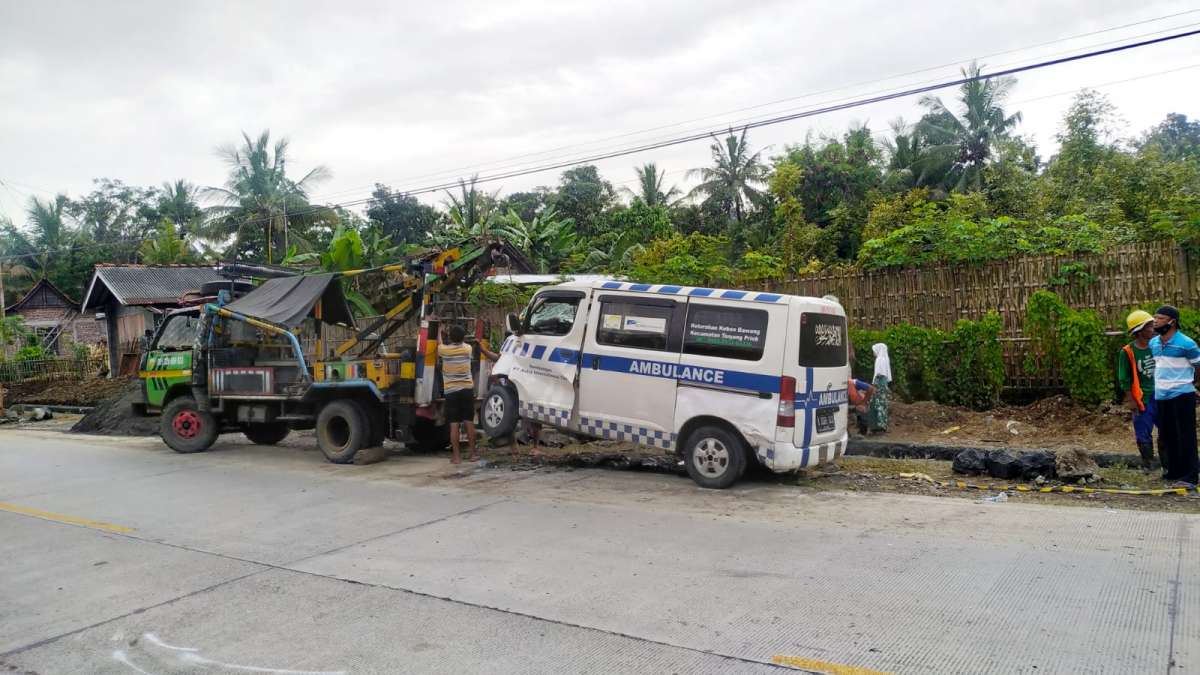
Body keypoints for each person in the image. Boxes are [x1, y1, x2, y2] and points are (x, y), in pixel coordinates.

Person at [1149, 305, 1200, 487]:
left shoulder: (1186, 344)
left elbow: (1198, 366)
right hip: (1161, 395)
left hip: (1182, 394)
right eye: (1154, 318)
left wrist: (1193, 384)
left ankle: (1191, 476)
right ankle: (1174, 471)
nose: (1155, 321)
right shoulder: (1153, 344)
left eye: (1160, 318)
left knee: (1186, 435)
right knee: (1168, 435)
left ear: (1172, 322)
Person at [475, 335, 542, 457]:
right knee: (509, 419)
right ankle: (514, 447)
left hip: (527, 389)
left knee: (534, 418)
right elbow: (498, 359)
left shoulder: (530, 349)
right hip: (511, 390)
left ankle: (536, 446)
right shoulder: (508, 352)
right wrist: (483, 350)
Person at [1116, 310, 1160, 473]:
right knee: (1143, 431)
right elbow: (1124, 378)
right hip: (1142, 397)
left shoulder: (1158, 345)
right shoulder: (1128, 352)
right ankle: (1148, 464)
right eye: (1149, 326)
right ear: (1140, 331)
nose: (1153, 329)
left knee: (1167, 429)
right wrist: (1131, 400)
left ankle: (1167, 463)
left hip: (1161, 394)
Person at [439, 324, 479, 464]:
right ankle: (473, 454)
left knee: (454, 425)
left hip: (451, 392)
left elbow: (439, 344)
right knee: (469, 422)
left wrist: (439, 332)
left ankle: (456, 457)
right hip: (467, 390)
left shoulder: (444, 350)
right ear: (463, 338)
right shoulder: (467, 349)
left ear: (450, 337)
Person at [866, 343, 891, 434]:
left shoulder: (879, 359)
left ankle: (876, 427)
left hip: (879, 384)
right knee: (882, 405)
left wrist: (874, 386)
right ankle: (882, 426)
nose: (873, 352)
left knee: (875, 405)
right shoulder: (885, 359)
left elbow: (878, 374)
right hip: (883, 384)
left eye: (874, 350)